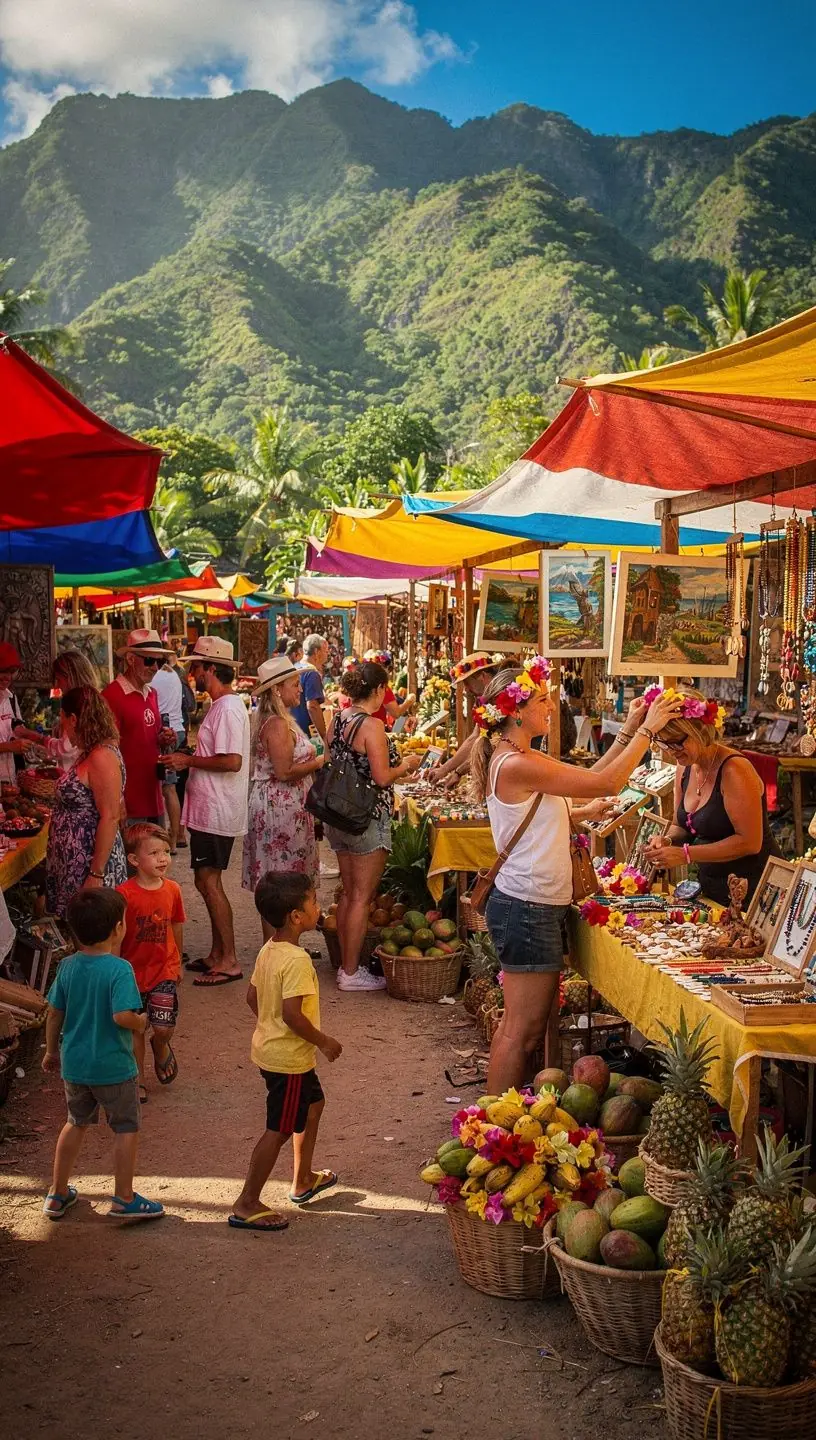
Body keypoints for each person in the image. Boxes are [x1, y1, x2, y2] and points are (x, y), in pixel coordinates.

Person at [469, 657, 681, 1093]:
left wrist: (630, 727)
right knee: (520, 1032)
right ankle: (491, 1122)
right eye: (542, 700)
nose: (550, 707)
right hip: (526, 907)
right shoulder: (515, 763)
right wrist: (646, 731)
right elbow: (605, 782)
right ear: (516, 711)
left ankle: (497, 1116)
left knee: (523, 1029)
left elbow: (586, 779)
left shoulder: (520, 756)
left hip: (531, 905)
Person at [41, 888, 164, 1222]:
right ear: (119, 928)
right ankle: (124, 1198)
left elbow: (54, 1013)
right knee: (125, 1127)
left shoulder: (66, 967)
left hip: (76, 1064)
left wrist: (52, 1051)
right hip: (114, 1066)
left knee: (74, 1123)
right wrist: (140, 1022)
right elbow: (121, 1016)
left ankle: (57, 1192)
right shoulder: (119, 969)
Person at [229, 872, 341, 1232]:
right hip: (289, 1061)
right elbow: (293, 1015)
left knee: (314, 1105)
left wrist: (269, 1025)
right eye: (313, 901)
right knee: (277, 1129)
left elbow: (252, 997)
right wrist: (323, 1041)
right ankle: (247, 1201)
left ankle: (303, 1178)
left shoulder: (269, 949)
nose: (318, 905)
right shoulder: (297, 960)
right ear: (296, 916)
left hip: (276, 1053)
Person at [325, 660, 423, 992]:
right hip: (366, 816)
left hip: (338, 815)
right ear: (380, 690)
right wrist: (405, 765)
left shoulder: (337, 719)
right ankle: (351, 973)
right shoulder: (372, 726)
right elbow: (382, 776)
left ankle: (344, 965)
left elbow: (331, 761)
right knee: (361, 898)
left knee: (349, 894)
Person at [641, 685, 782, 906]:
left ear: (700, 731)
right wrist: (666, 840)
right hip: (714, 888)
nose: (671, 750)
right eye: (663, 742)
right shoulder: (685, 766)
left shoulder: (734, 770)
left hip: (756, 892)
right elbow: (681, 825)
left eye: (677, 741)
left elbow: (749, 842)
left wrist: (686, 855)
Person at [166, 636, 249, 988]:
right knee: (206, 881)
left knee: (209, 882)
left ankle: (228, 958)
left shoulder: (228, 707)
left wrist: (188, 760)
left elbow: (231, 761)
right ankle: (218, 953)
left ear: (211, 668)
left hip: (216, 810)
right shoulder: (221, 705)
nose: (191, 673)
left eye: (195, 667)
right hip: (209, 809)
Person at [242, 656, 324, 936]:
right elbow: (285, 771)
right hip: (279, 809)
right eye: (294, 684)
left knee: (281, 876)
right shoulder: (276, 724)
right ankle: (276, 944)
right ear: (277, 690)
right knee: (278, 879)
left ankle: (284, 942)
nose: (300, 689)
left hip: (284, 807)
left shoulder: (278, 720)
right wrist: (320, 761)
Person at [46, 687, 128, 918]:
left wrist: (96, 874)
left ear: (73, 719)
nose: (63, 728)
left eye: (62, 720)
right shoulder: (92, 752)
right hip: (78, 862)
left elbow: (111, 816)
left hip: (90, 863)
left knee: (97, 933)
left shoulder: (102, 756)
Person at [118, 824, 186, 1099]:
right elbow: (118, 935)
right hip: (131, 973)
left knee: (163, 1026)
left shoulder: (173, 890)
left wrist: (177, 961)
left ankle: (160, 1046)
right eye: (154, 853)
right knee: (135, 1028)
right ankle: (139, 1079)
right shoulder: (124, 894)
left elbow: (177, 925)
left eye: (166, 852)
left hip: (163, 970)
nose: (163, 858)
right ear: (134, 860)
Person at [102, 630, 177, 825]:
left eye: (159, 663)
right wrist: (118, 798)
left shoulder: (151, 693)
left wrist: (164, 737)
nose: (155, 668)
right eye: (149, 661)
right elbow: (107, 752)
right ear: (130, 659)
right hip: (130, 799)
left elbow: (148, 734)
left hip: (152, 793)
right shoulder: (112, 696)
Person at [427, 652, 504, 786]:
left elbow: (491, 746)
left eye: (467, 683)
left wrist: (455, 771)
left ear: (482, 676)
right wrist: (450, 770)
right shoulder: (483, 700)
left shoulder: (503, 696)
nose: (467, 689)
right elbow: (474, 738)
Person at [150, 656, 186, 852]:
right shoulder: (172, 673)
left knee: (167, 788)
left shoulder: (155, 677)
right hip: (177, 728)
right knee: (169, 786)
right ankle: (175, 835)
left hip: (165, 731)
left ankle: (170, 840)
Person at [0, 642, 32, 784]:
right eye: (2, 671)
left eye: (11, 672)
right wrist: (9, 747)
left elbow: (16, 729)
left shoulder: (11, 699)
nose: (6, 677)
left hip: (10, 779)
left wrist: (30, 738)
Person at [291, 634, 329, 744]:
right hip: (305, 734)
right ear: (317, 652)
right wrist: (323, 735)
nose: (327, 655)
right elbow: (312, 706)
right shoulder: (311, 673)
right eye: (326, 651)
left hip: (294, 728)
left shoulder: (296, 667)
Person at [362, 650, 416, 724]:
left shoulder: (358, 683)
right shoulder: (382, 688)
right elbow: (396, 713)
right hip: (374, 729)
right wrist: (409, 701)